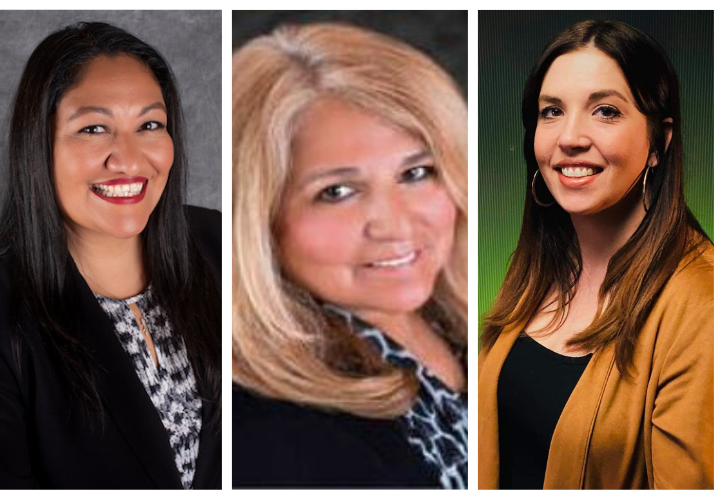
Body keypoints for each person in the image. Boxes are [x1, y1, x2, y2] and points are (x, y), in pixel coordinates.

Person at [0, 22, 222, 489]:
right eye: (94, 129)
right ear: (39, 144)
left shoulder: (222, 243)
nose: (130, 160)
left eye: (149, 125)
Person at [479, 20, 713, 489]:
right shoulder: (536, 269)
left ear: (659, 142)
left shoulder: (705, 307)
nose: (570, 137)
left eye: (605, 111)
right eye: (551, 112)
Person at [232, 22, 468, 488]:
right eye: (337, 191)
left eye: (416, 172)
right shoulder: (266, 441)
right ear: (260, 218)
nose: (396, 224)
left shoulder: (475, 322)